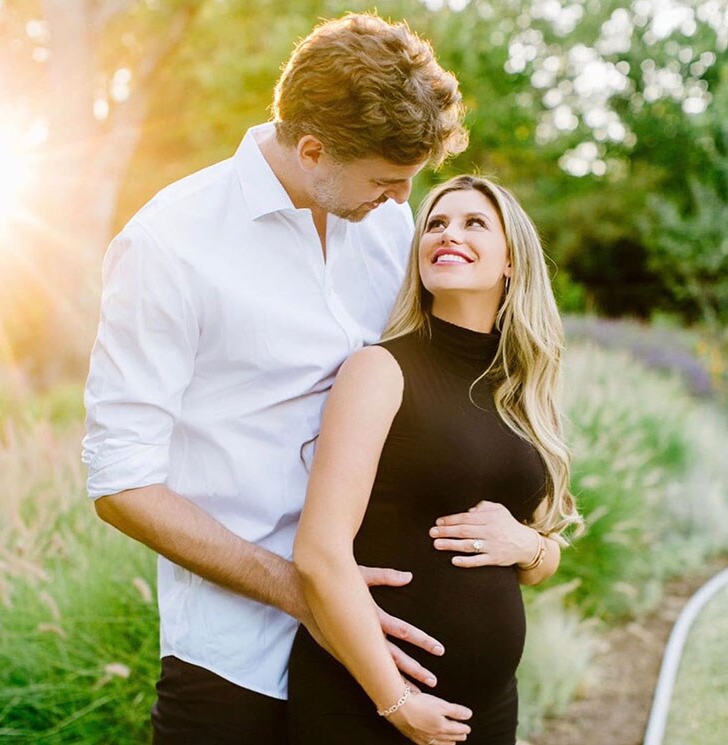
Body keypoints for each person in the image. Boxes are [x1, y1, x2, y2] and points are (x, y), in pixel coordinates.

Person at [82, 11, 468, 744]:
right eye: (386, 182)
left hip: (379, 644)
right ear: (313, 149)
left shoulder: (385, 222)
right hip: (232, 657)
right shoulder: (169, 243)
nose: (399, 203)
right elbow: (120, 482)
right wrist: (306, 593)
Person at [289, 175, 583, 745]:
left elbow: (543, 554)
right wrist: (396, 703)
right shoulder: (380, 370)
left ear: (512, 263)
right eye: (436, 223)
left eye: (475, 223)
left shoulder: (521, 390)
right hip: (366, 703)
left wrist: (530, 546)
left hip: (489, 709)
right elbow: (318, 553)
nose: (449, 233)